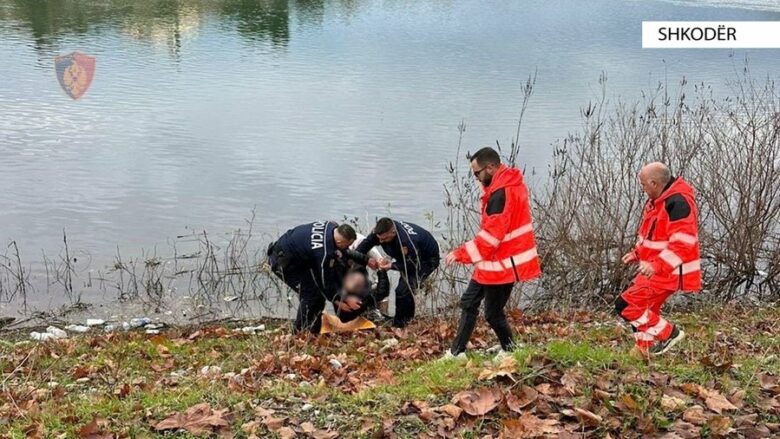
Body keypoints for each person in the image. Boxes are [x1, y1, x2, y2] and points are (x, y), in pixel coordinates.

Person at [444, 146, 541, 358]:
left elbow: (490, 237)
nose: (476, 178)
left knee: (492, 313)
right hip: (493, 262)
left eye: (477, 173)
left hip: (503, 265)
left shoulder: (500, 194)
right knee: (469, 303)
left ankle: (510, 349)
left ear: (490, 167)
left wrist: (460, 254)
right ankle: (457, 352)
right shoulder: (507, 185)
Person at [615, 162, 700, 356]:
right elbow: (652, 236)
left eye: (643, 184)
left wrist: (657, 265)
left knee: (626, 305)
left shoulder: (677, 203)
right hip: (656, 269)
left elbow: (684, 243)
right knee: (645, 308)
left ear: (654, 183)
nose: (642, 188)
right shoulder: (658, 201)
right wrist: (637, 254)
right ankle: (645, 349)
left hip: (667, 272)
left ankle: (670, 334)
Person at [267, 221, 379, 333]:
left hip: (295, 254)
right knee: (311, 295)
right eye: (347, 245)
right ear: (340, 241)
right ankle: (298, 333)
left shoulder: (332, 227)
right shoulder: (324, 253)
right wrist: (338, 300)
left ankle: (313, 331)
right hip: (284, 264)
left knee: (318, 296)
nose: (348, 247)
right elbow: (324, 281)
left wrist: (366, 260)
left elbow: (344, 251)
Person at [355, 217, 440, 327]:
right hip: (408, 257)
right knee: (404, 290)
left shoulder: (406, 241)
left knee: (402, 290)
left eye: (384, 239)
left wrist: (392, 265)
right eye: (379, 238)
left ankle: (400, 324)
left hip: (425, 260)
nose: (380, 242)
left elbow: (413, 265)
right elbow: (365, 245)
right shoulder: (380, 231)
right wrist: (361, 259)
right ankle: (407, 318)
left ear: (393, 232)